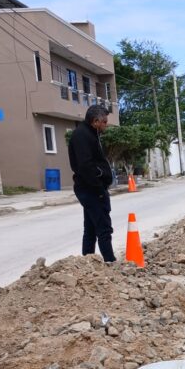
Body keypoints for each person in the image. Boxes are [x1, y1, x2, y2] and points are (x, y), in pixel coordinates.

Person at [68, 105, 115, 262]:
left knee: (91, 228)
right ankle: (110, 261)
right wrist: (99, 187)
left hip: (91, 188)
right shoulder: (82, 135)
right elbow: (85, 166)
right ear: (95, 121)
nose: (106, 125)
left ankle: (87, 263)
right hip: (90, 189)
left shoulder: (90, 133)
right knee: (103, 227)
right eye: (104, 121)